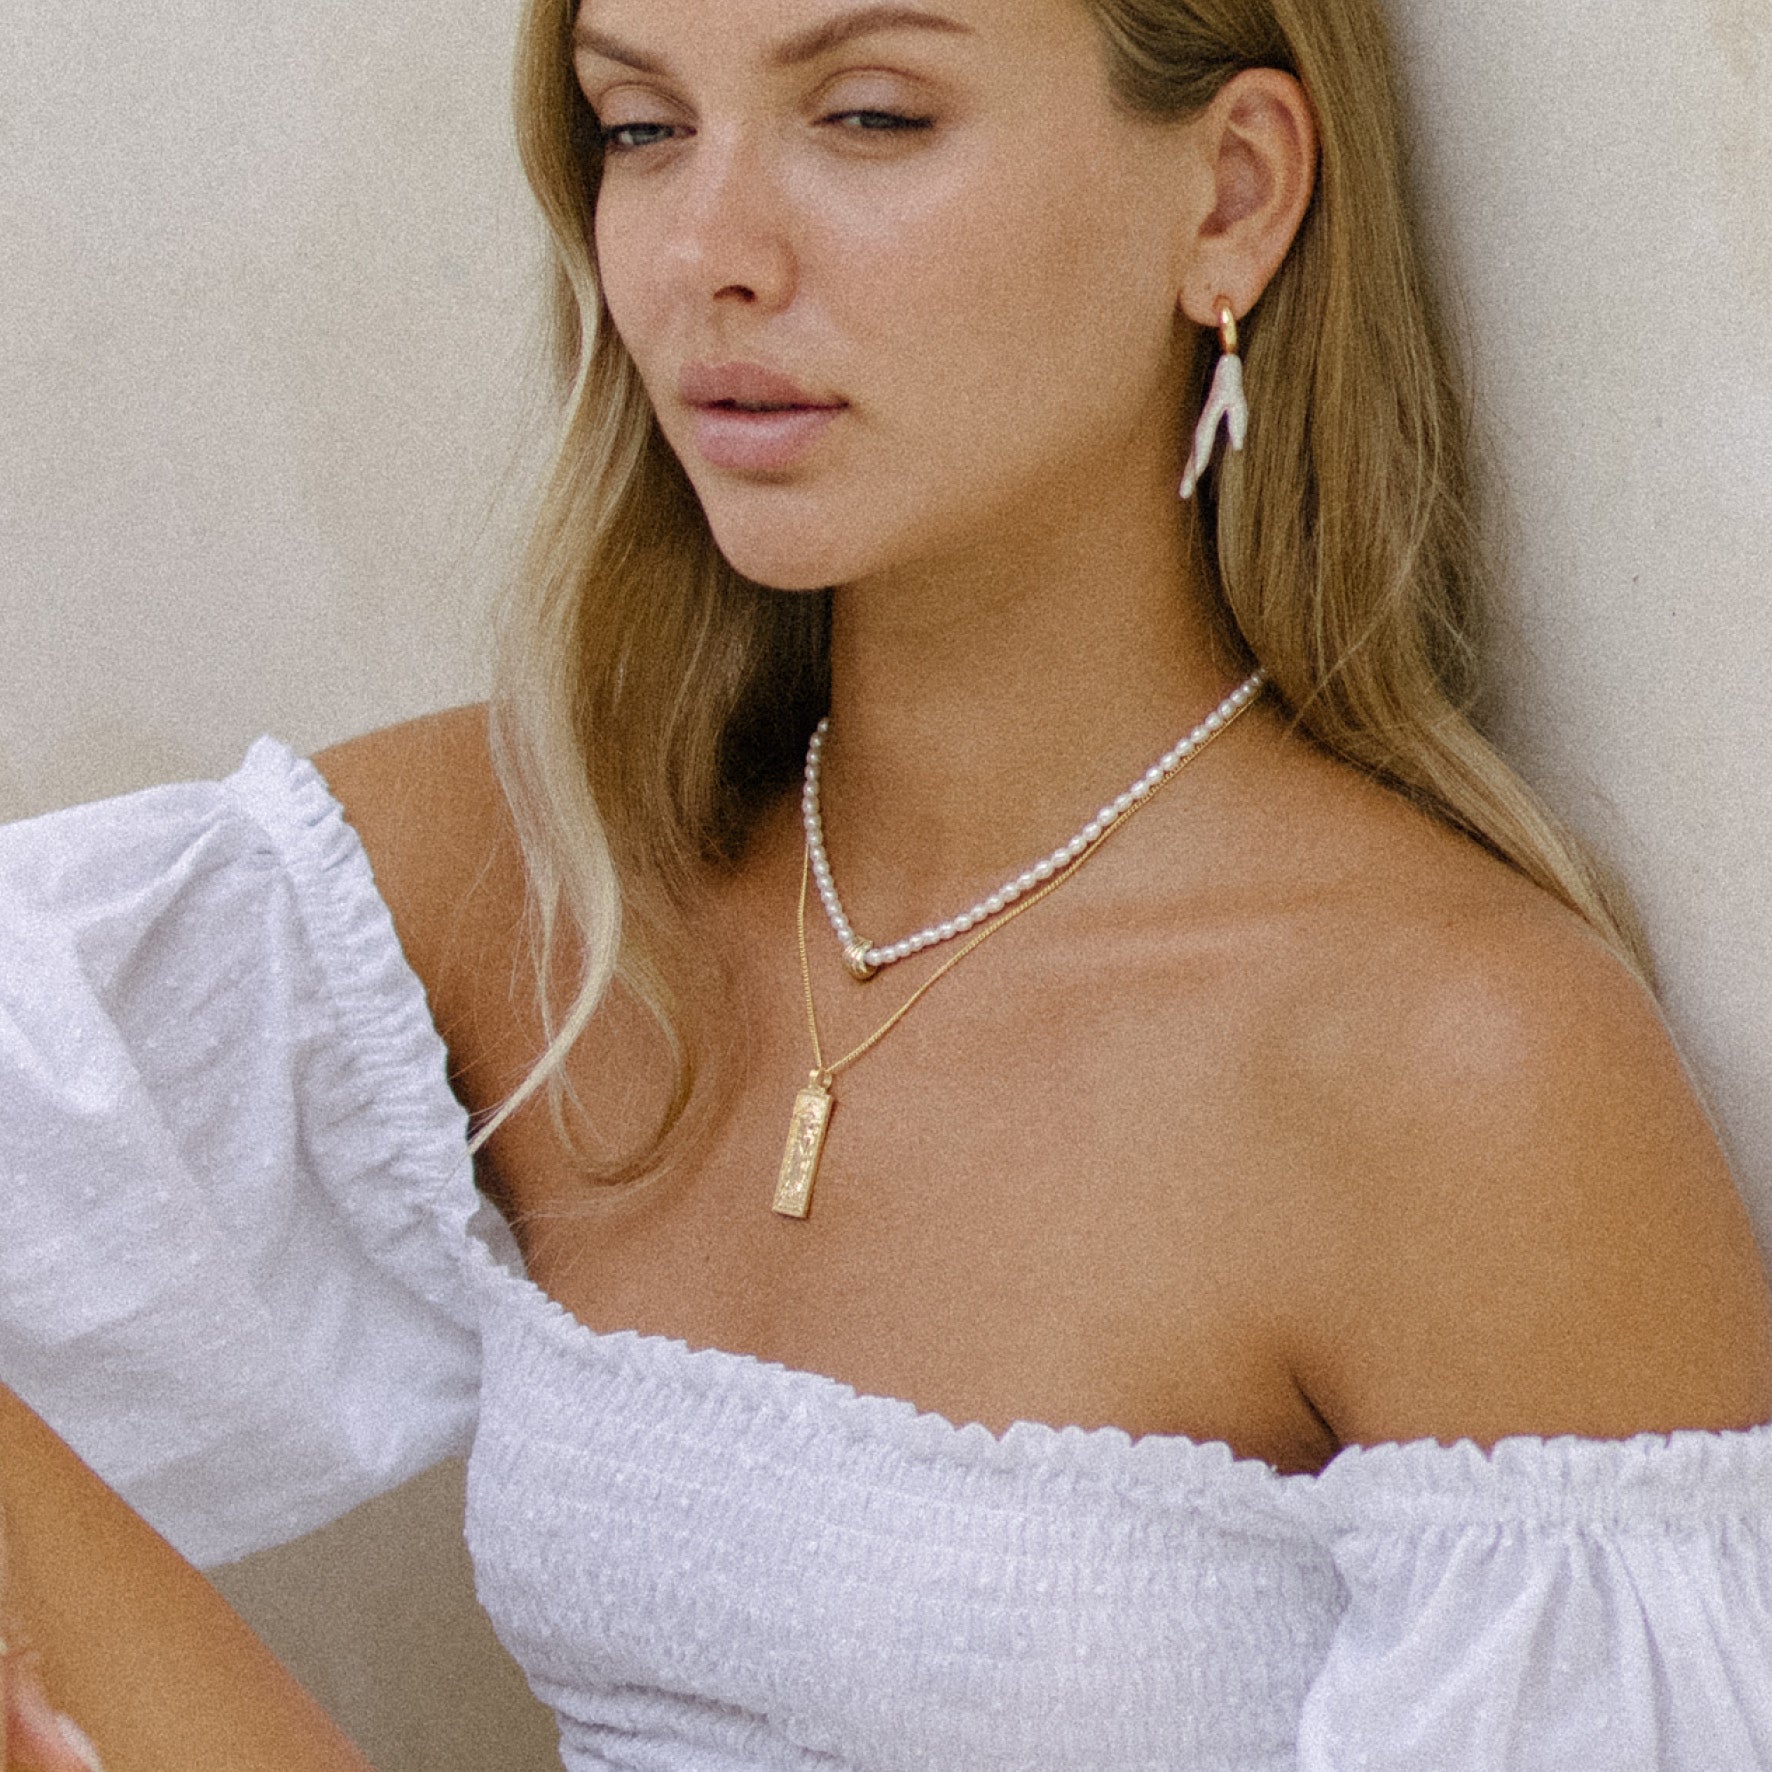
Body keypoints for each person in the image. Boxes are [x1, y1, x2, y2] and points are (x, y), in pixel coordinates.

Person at [3, 0, 1772, 1766]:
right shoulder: (555, 870)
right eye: (639, 128)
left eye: (866, 117)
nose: (706, 257)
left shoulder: (1453, 1064)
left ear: (1231, 192)